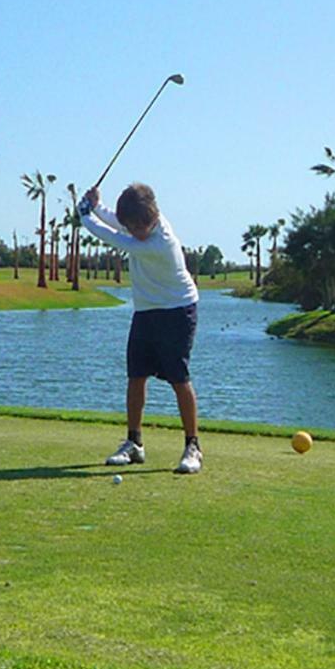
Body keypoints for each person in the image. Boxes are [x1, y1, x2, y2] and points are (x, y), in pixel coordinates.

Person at [78, 183, 203, 473]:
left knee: (178, 378)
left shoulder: (161, 241)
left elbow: (112, 236)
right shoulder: (137, 226)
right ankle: (134, 443)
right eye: (131, 226)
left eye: (139, 226)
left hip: (178, 310)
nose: (136, 231)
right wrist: (96, 206)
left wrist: (85, 216)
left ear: (153, 217)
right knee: (136, 376)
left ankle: (193, 447)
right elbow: (117, 223)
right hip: (146, 310)